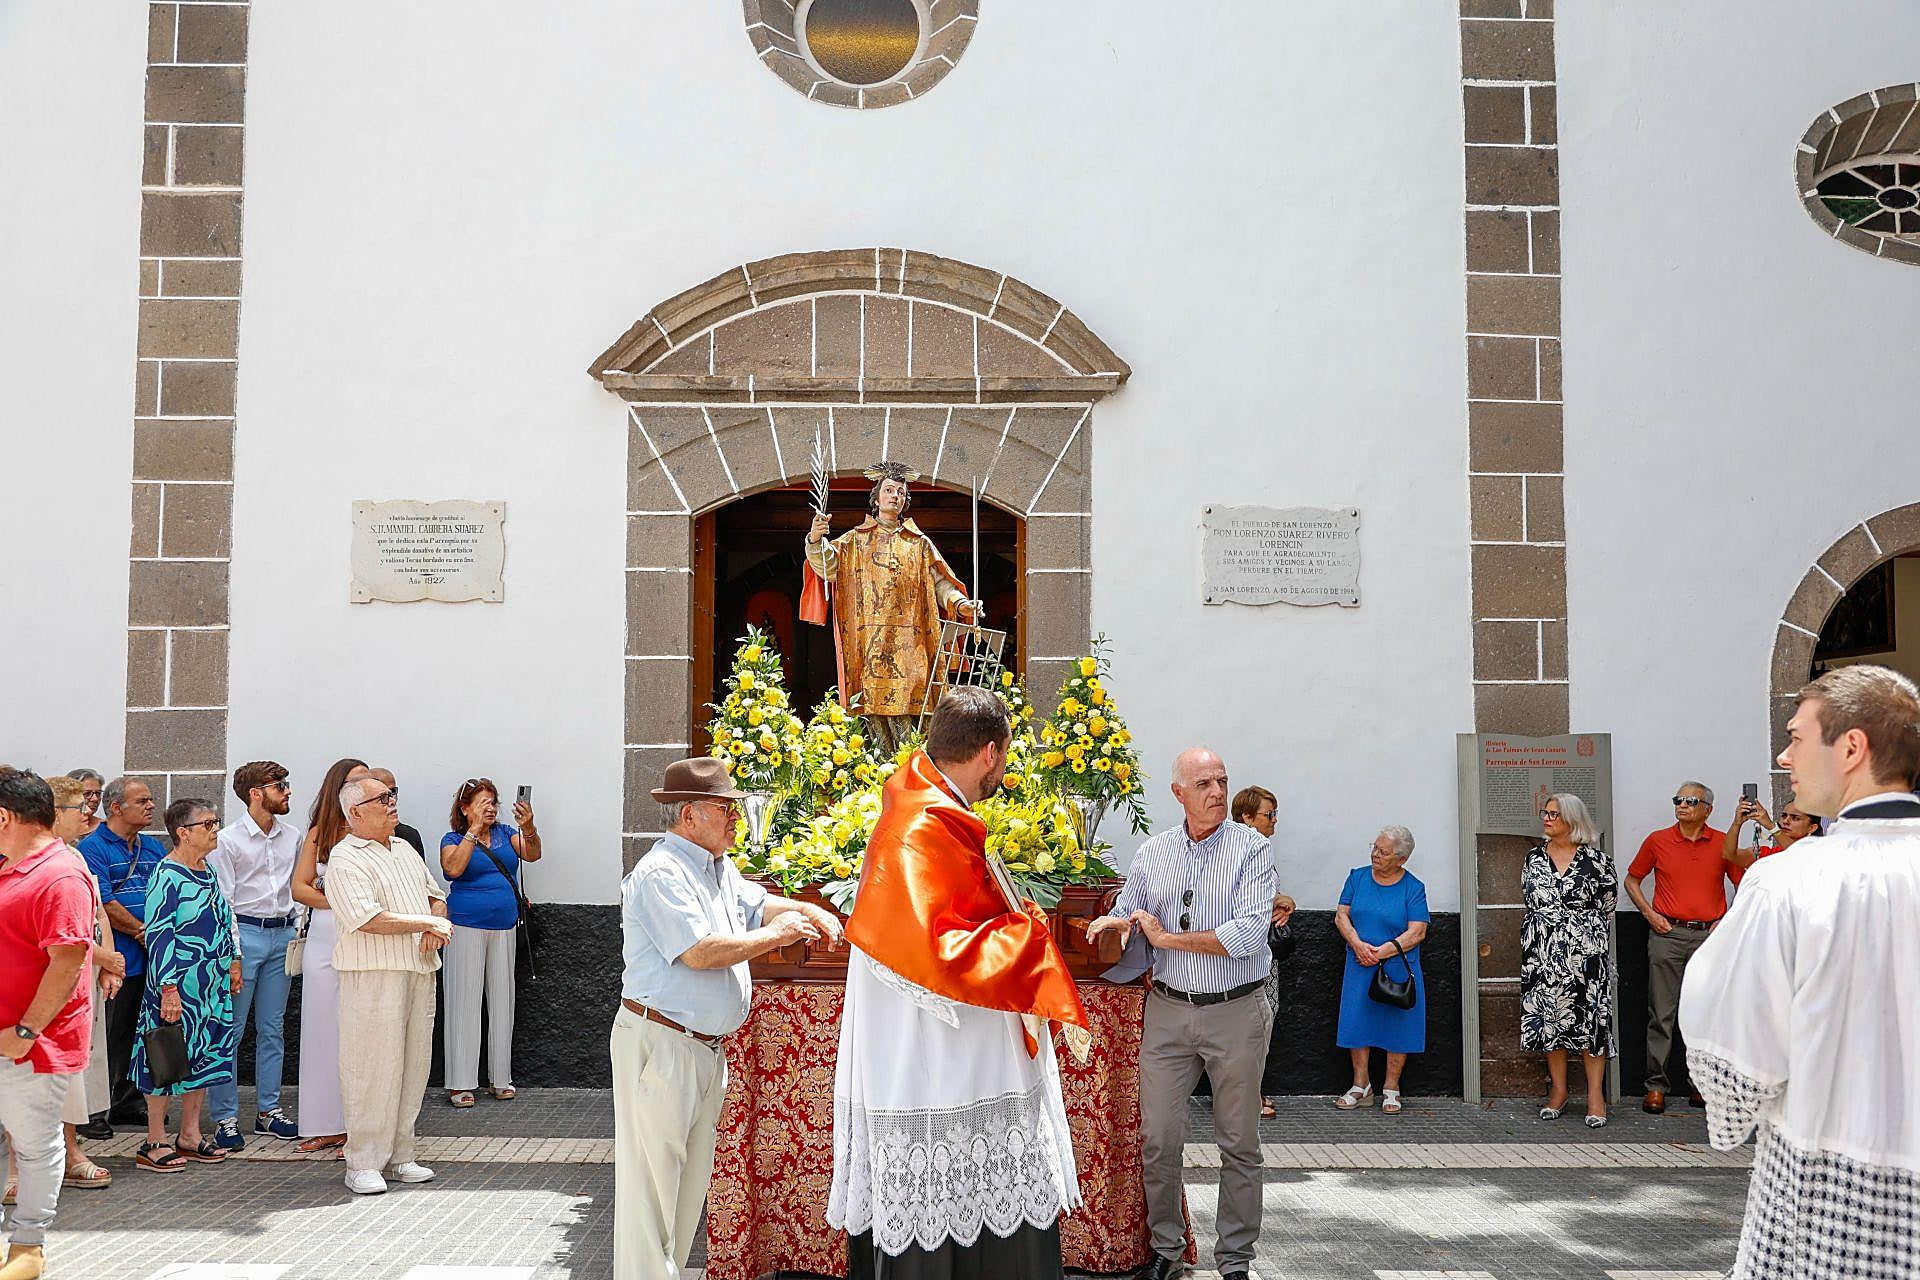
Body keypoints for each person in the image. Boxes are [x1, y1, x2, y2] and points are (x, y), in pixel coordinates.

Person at [830, 689, 1087, 1280]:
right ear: (990, 753)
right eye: (1007, 756)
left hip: (949, 1049)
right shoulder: (921, 824)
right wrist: (1028, 941)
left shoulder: (931, 806)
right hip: (931, 1057)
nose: (1005, 769)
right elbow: (939, 956)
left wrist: (1007, 920)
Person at [1681, 664, 1920, 1279]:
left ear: (1851, 747)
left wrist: (1729, 1115)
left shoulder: (1792, 880)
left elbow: (1737, 1052)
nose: (1784, 757)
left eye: (1794, 737)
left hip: (1826, 1198)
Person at [615, 757, 838, 1280]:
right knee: (651, 1193)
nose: (735, 817)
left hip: (699, 1047)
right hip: (663, 1043)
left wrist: (809, 912)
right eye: (725, 808)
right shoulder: (661, 873)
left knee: (687, 1188)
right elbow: (700, 951)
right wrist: (779, 937)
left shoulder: (715, 867)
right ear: (689, 815)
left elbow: (760, 906)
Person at [1086, 749, 1283, 1280]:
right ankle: (1167, 1252)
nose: (1217, 792)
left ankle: (1236, 1261)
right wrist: (1117, 923)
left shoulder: (1251, 850)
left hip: (1236, 1010)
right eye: (1203, 783)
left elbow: (1247, 936)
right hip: (1170, 1012)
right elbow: (1131, 901)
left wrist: (1166, 937)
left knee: (1238, 1143)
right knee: (1158, 1140)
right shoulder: (1155, 851)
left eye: (1222, 780)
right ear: (1178, 793)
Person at [802, 460, 979, 756]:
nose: (894, 496)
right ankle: (877, 769)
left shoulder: (919, 543)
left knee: (916, 704)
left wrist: (961, 604)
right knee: (871, 708)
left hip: (912, 641)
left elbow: (940, 583)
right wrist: (816, 538)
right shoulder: (856, 541)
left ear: (905, 501)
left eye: (900, 491)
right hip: (869, 641)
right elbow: (827, 565)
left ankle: (911, 765)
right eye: (888, 490)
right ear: (876, 498)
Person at [326, 775, 450, 1195]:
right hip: (373, 975)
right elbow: (367, 918)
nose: (393, 802)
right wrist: (428, 923)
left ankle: (400, 1156)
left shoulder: (404, 849)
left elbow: (436, 893)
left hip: (417, 968)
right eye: (383, 798)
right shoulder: (345, 857)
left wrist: (434, 921)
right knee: (370, 1067)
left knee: (414, 1064)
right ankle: (361, 1161)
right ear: (355, 813)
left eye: (393, 795)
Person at [0, 768, 96, 1280]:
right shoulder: (13, 866)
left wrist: (24, 1033)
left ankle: (28, 1244)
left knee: (34, 1145)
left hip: (30, 1044)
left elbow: (68, 960)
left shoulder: (58, 874)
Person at [129, 798, 240, 1172]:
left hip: (210, 986)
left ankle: (190, 1135)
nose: (214, 830)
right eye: (207, 824)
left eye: (215, 822)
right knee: (163, 1056)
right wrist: (169, 988)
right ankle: (153, 1140)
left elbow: (222, 919)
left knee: (204, 1057)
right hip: (176, 987)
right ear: (183, 832)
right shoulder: (167, 874)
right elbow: (160, 934)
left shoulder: (206, 870)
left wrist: (232, 961)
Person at [205, 761, 302, 1149]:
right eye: (280, 785)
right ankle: (225, 1117)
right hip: (244, 932)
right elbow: (224, 900)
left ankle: (268, 1112)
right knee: (233, 1030)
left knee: (273, 1028)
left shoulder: (292, 835)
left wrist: (298, 929)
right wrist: (234, 953)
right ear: (256, 794)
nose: (288, 790)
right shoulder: (227, 840)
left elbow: (298, 887)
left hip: (282, 934)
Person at [1622, 780, 1726, 1113]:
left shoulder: (1724, 843)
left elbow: (1747, 884)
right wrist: (1649, 913)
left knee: (1705, 1015)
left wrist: (1726, 920)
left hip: (1709, 939)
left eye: (1690, 801)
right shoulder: (1658, 840)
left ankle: (1700, 1085)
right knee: (1661, 1014)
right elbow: (1632, 879)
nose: (1681, 806)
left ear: (1707, 809)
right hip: (1667, 934)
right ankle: (1656, 1086)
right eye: (1678, 800)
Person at [439, 777, 542, 1107]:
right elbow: (452, 869)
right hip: (464, 926)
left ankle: (501, 1077)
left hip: (504, 926)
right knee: (464, 1002)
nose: (490, 808)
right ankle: (460, 1082)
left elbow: (533, 854)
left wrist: (529, 827)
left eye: (493, 802)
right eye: (482, 803)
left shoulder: (505, 834)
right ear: (465, 808)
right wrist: (473, 830)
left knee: (502, 1001)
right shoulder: (452, 838)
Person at [1519, 794, 1616, 1128]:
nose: (1546, 819)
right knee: (1552, 1021)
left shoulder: (1597, 861)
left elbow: (1607, 904)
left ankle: (1594, 1096)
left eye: (1554, 814)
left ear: (1572, 820)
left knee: (1591, 1024)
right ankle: (1558, 1092)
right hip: (1543, 955)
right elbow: (1529, 901)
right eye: (1545, 813)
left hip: (1586, 956)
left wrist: (1580, 935)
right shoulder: (1533, 859)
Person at [77, 777, 166, 1126]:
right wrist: (142, 931)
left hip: (152, 959)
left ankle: (128, 1099)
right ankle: (95, 1109)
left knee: (140, 1030)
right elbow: (103, 901)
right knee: (108, 1035)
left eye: (150, 799)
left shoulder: (152, 848)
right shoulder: (93, 848)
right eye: (142, 800)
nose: (150, 806)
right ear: (116, 808)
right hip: (116, 957)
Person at [290, 757, 368, 1153]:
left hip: (365, 935)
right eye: (356, 781)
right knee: (322, 1032)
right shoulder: (320, 832)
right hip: (325, 936)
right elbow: (299, 888)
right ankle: (324, 1123)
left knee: (359, 1034)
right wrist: (337, 901)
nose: (364, 786)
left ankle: (361, 1127)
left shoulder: (373, 833)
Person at [45, 776, 117, 1186]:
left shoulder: (76, 856)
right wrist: (103, 955)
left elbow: (98, 911)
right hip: (53, 975)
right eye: (79, 808)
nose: (88, 814)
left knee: (78, 1068)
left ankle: (71, 1150)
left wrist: (106, 962)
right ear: (54, 814)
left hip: (85, 974)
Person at [1331, 826, 1430, 1115]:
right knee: (1357, 1022)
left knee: (1397, 1024)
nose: (1375, 854)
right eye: (1374, 847)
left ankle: (1391, 1087)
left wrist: (1379, 952)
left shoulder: (1413, 887)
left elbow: (1418, 932)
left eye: (1383, 851)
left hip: (1397, 966)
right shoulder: (1357, 878)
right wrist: (1358, 945)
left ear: (1401, 859)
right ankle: (1361, 1085)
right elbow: (1341, 915)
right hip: (1359, 962)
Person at [1230, 785, 1286, 1118]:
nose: (1274, 822)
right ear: (1246, 817)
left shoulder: (1262, 851)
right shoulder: (1236, 853)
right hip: (1245, 956)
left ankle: (1251, 1090)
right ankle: (1245, 1095)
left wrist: (1283, 902)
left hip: (1264, 951)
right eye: (1269, 815)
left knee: (1263, 1023)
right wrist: (1278, 901)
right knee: (1248, 1025)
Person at [1722, 793, 1819, 882]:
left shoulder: (1819, 853)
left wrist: (1771, 826)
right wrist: (1737, 823)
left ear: (1811, 828)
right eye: (1784, 816)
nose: (1786, 821)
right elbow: (1730, 855)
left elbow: (1797, 855)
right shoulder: (1771, 854)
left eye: (1795, 818)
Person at [64, 771, 103, 841]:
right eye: (87, 793)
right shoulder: (58, 828)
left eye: (98, 793)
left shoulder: (106, 829)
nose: (95, 799)